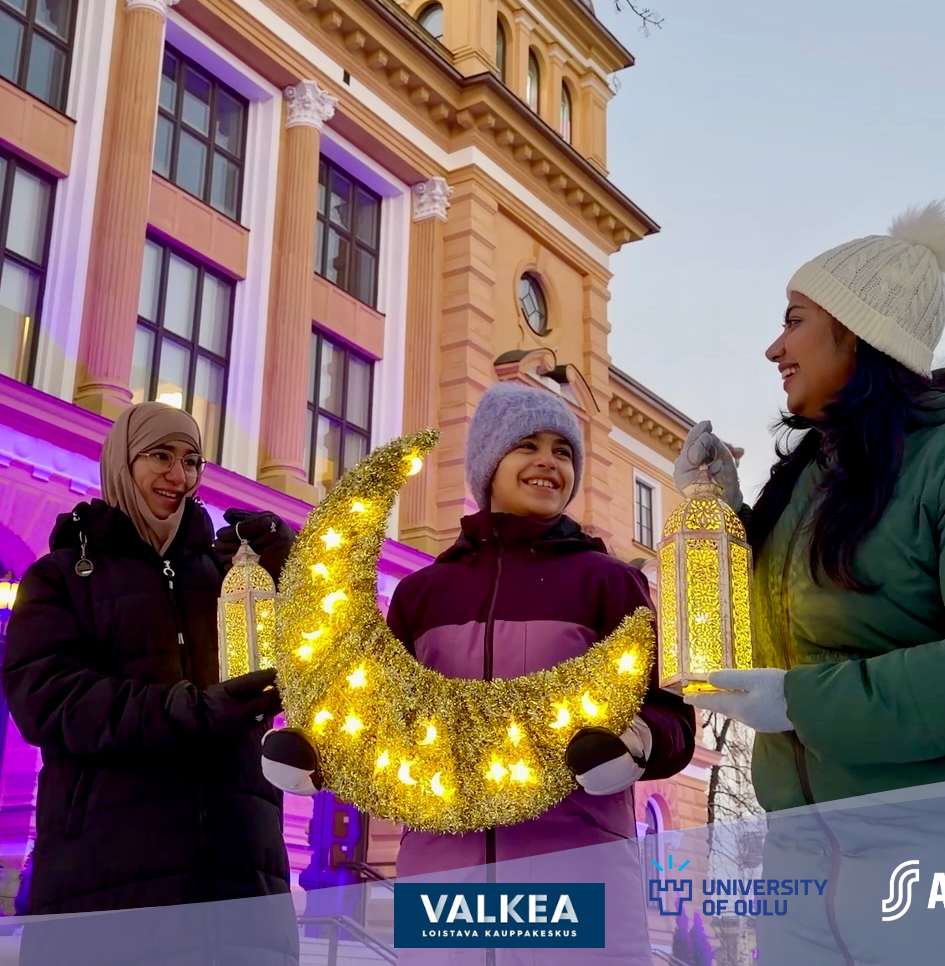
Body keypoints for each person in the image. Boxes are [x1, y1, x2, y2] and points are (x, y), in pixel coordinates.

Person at [675, 200, 945, 964]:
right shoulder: (815, 482)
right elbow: (765, 643)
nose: (775, 345)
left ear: (858, 329)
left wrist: (798, 700)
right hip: (816, 874)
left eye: (795, 319)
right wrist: (719, 517)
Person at [262, 381, 696, 966]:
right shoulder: (424, 593)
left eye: (562, 451)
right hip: (442, 882)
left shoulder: (609, 582)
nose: (548, 462)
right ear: (488, 463)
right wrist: (321, 755)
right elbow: (380, 717)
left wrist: (635, 742)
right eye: (527, 445)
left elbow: (672, 713)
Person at [1, 402, 301, 966]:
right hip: (111, 880)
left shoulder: (226, 577)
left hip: (239, 876)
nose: (179, 475)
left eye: (191, 461)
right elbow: (45, 696)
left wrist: (293, 571)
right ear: (122, 463)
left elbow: (320, 656)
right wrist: (186, 712)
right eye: (160, 456)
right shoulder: (62, 576)